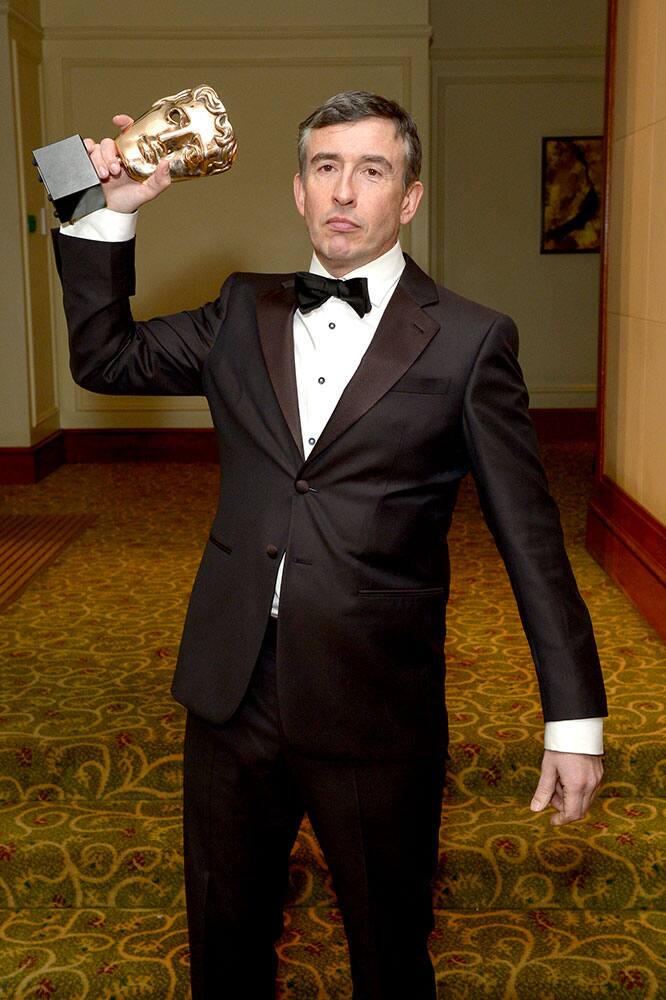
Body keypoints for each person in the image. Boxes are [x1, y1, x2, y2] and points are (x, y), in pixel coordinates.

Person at [52, 91, 607, 1000]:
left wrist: (573, 717)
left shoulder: (470, 343)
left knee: (389, 957)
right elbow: (102, 359)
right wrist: (106, 200)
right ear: (299, 193)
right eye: (325, 168)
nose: (345, 190)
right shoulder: (241, 310)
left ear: (410, 198)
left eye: (372, 169)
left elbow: (532, 543)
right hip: (231, 692)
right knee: (224, 953)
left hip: (375, 704)